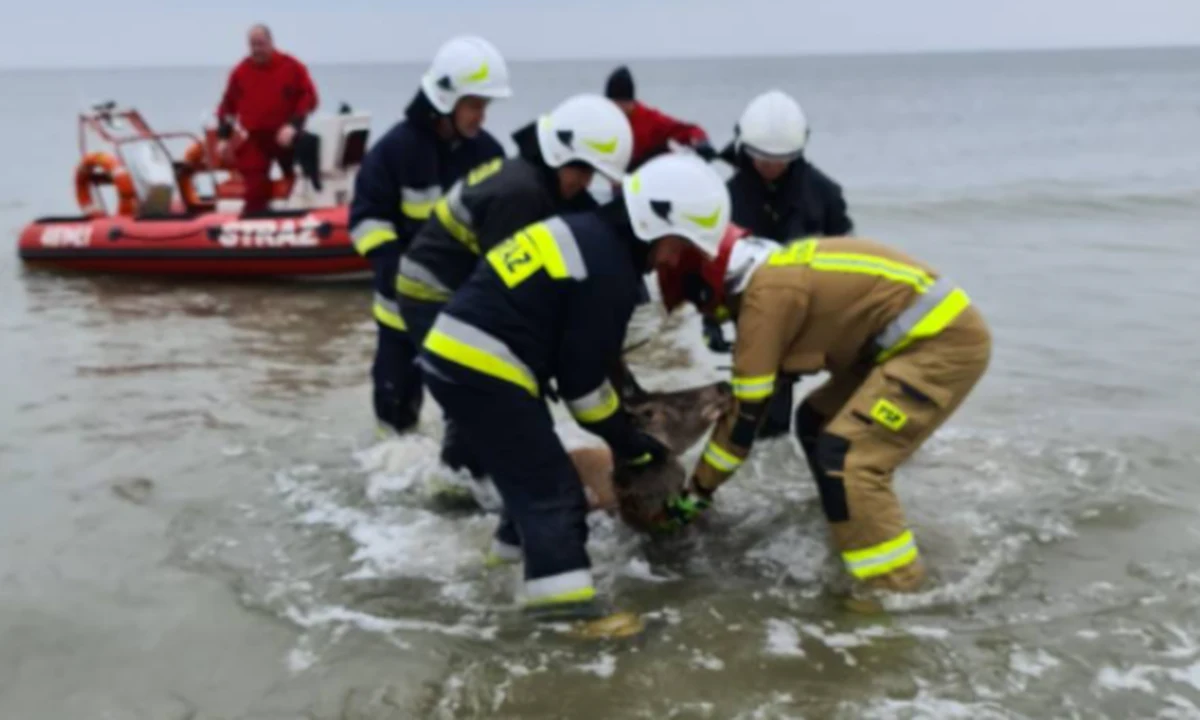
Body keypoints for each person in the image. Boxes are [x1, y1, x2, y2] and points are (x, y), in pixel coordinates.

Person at [415, 154, 732, 628]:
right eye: (679, 244)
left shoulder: (587, 235)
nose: (674, 259)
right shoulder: (608, 270)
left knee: (529, 480)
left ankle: (498, 576)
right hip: (484, 365)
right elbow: (582, 387)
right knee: (556, 494)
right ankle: (566, 622)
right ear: (651, 223)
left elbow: (579, 362)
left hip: (461, 354)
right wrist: (629, 442)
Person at [653, 226, 991, 602]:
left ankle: (893, 590)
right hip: (899, 346)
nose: (706, 313)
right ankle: (850, 525)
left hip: (942, 345)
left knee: (848, 457)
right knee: (816, 420)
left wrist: (697, 493)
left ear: (707, 283)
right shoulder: (772, 278)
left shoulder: (766, 297)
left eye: (699, 303)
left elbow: (746, 416)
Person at [396, 93, 634, 475]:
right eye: (584, 171)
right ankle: (470, 477)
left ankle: (461, 474)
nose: (586, 182)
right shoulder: (521, 195)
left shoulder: (538, 180)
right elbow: (506, 295)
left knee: (487, 397)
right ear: (560, 158)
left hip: (450, 284)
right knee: (491, 390)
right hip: (431, 294)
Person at [349, 35, 511, 437]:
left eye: (485, 106)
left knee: (468, 413)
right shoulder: (394, 151)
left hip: (462, 313)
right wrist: (391, 268)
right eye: (475, 105)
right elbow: (366, 218)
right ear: (445, 99)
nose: (482, 117)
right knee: (395, 412)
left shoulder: (488, 154)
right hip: (399, 314)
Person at [718, 89, 856, 438]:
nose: (771, 167)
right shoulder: (725, 198)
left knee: (845, 394)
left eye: (781, 160)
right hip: (755, 312)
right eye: (762, 159)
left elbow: (849, 255)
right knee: (763, 408)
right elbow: (713, 262)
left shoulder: (824, 193)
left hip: (816, 307)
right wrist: (711, 320)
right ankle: (766, 476)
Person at [215, 24, 318, 214]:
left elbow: (309, 98)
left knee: (299, 177)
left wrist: (293, 126)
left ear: (271, 42)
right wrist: (222, 137)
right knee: (255, 183)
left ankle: (303, 217)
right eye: (253, 45)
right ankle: (254, 224)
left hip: (284, 136)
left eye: (261, 44)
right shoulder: (241, 72)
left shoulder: (292, 67)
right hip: (256, 138)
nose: (257, 50)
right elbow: (227, 107)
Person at [603, 65, 716, 170]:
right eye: (610, 104)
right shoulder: (607, 121)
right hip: (622, 182)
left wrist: (702, 142)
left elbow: (690, 130)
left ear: (630, 101)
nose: (613, 109)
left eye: (618, 103)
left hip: (653, 180)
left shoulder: (651, 120)